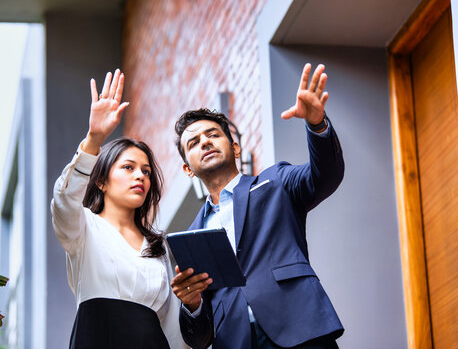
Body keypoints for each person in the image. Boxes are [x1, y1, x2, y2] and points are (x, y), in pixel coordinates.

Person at [170, 63, 345, 349]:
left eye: (213, 135)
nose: (205, 142)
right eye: (193, 143)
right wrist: (192, 304)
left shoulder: (275, 181)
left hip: (299, 328)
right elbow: (199, 338)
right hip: (236, 341)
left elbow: (325, 175)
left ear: (235, 148)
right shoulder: (192, 236)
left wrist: (317, 124)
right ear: (188, 169)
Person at [51, 69, 188, 349]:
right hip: (97, 338)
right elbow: (63, 201)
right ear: (100, 180)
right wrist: (94, 139)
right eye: (128, 167)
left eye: (146, 172)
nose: (140, 176)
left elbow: (172, 329)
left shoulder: (158, 246)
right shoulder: (83, 228)